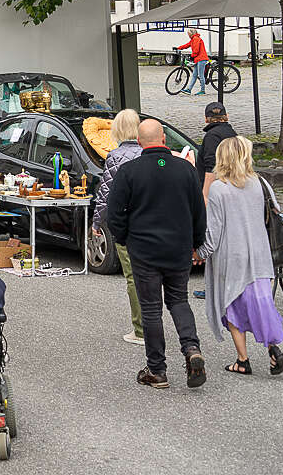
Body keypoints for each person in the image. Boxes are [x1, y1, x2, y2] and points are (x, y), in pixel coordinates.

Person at [107, 119, 207, 390]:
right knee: (179, 300)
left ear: (139, 142)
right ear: (164, 139)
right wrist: (196, 242)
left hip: (144, 250)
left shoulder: (129, 171)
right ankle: (192, 348)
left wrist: (125, 238)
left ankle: (157, 369)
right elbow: (199, 211)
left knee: (151, 308)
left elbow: (114, 214)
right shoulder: (185, 169)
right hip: (178, 248)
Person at [195, 136, 283, 377]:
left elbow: (214, 231)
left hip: (231, 256)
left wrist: (200, 253)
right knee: (261, 302)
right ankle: (272, 347)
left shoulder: (218, 188)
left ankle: (242, 360)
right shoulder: (260, 182)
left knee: (233, 306)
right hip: (260, 253)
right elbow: (276, 210)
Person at [92, 108, 145, 345]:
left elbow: (105, 194)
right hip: (149, 222)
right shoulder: (146, 153)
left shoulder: (114, 156)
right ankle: (153, 322)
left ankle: (140, 329)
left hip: (127, 225)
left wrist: (97, 222)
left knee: (133, 276)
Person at [197, 102, 237, 199]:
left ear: (206, 119)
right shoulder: (232, 133)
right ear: (227, 116)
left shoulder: (211, 136)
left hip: (217, 190)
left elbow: (211, 167)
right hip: (232, 185)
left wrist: (205, 196)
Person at [176, 27, 210, 96]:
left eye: (188, 34)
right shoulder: (193, 39)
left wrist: (192, 56)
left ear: (191, 34)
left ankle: (203, 91)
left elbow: (196, 50)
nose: (188, 35)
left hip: (201, 59)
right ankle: (189, 90)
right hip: (197, 59)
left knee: (201, 75)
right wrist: (178, 48)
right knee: (194, 75)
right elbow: (187, 45)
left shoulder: (196, 39)